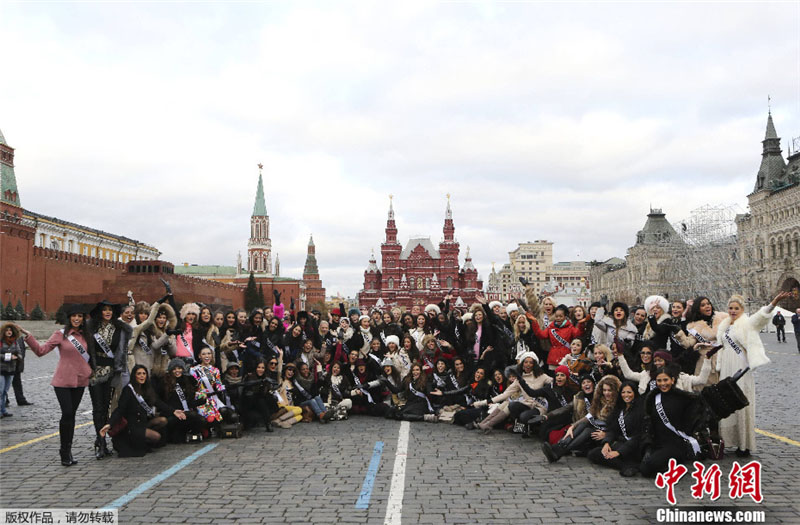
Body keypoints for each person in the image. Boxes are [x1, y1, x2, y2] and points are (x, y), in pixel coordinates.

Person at [705, 292, 786, 457]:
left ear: (742, 309)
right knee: (726, 402)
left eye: (736, 308)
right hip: (727, 366)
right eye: (730, 308)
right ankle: (730, 440)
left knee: (740, 401)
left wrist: (774, 302)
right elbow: (722, 345)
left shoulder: (747, 324)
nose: (733, 311)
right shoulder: (725, 325)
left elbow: (760, 317)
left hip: (740, 367)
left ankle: (744, 444)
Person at [22, 304, 92, 466]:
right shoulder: (61, 335)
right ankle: (63, 451)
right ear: (69, 318)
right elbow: (41, 351)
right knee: (67, 413)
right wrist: (29, 337)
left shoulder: (86, 336)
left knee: (72, 415)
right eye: (74, 316)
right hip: (62, 381)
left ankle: (68, 450)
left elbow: (92, 356)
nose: (76, 319)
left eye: (80, 316)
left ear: (83, 319)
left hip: (80, 380)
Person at [639, 364, 707, 477]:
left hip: (675, 444)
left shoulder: (683, 398)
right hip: (656, 443)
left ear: (672, 380)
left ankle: (676, 469)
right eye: (659, 381)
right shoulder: (652, 398)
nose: (662, 384)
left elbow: (696, 416)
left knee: (646, 468)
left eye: (665, 380)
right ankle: (671, 467)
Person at [86, 300, 132, 460]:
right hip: (94, 372)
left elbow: (120, 350)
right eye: (105, 310)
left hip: (112, 372)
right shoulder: (92, 328)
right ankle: (101, 442)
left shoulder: (119, 329)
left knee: (106, 407)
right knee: (97, 408)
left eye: (110, 310)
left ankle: (103, 439)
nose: (108, 312)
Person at [541, 375, 621, 462]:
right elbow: (588, 416)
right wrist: (572, 426)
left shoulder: (618, 404)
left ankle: (559, 451)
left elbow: (616, 426)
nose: (606, 393)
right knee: (584, 425)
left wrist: (606, 434)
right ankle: (559, 448)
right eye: (604, 390)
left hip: (606, 434)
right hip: (594, 428)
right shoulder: (598, 400)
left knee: (588, 430)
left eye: (609, 390)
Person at [99, 365, 173, 457]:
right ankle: (138, 442)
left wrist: (174, 411)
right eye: (139, 374)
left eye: (144, 373)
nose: (142, 376)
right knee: (156, 437)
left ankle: (142, 441)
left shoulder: (148, 389)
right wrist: (110, 424)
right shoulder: (128, 390)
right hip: (131, 426)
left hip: (142, 422)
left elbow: (159, 403)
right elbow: (120, 409)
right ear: (134, 376)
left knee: (162, 420)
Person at [587, 381, 645, 477]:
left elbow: (638, 437)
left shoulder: (640, 410)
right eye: (623, 392)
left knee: (616, 455)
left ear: (634, 393)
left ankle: (628, 466)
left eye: (629, 392)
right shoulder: (620, 409)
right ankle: (628, 466)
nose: (626, 395)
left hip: (635, 446)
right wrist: (606, 443)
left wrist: (619, 452)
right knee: (594, 454)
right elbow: (613, 429)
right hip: (621, 443)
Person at [1, 323, 25, 417]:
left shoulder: (15, 342)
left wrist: (18, 357)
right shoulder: (0, 341)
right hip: (1, 369)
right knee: (0, 390)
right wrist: (9, 356)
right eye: (7, 330)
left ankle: (3, 410)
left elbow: (20, 353)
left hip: (11, 370)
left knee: (5, 391)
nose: (8, 332)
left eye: (10, 330)